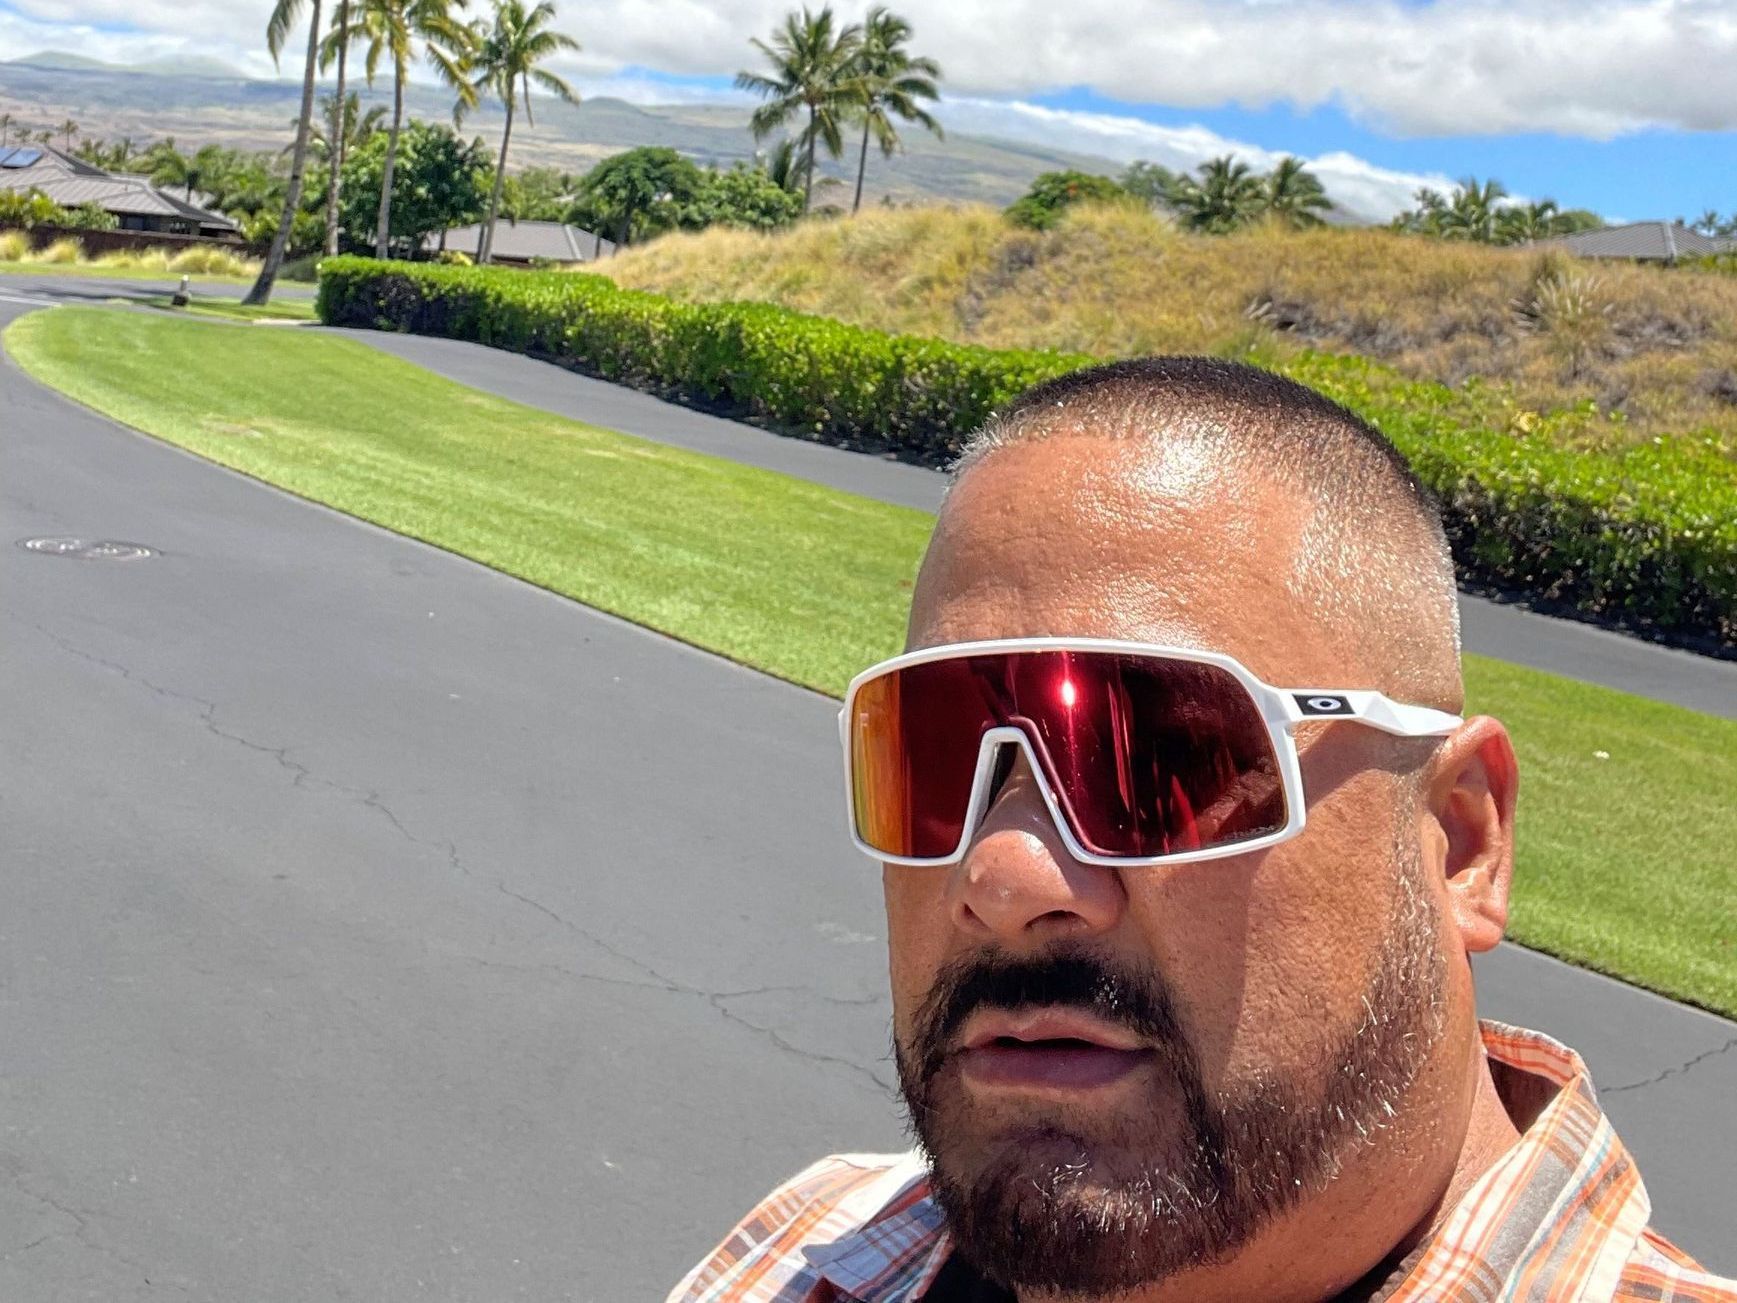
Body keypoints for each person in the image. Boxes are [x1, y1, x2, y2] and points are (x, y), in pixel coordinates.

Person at [669, 358, 1735, 1303]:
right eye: (936, 756)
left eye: (1166, 758)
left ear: (1460, 842)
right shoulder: (806, 1247)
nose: (1001, 871)